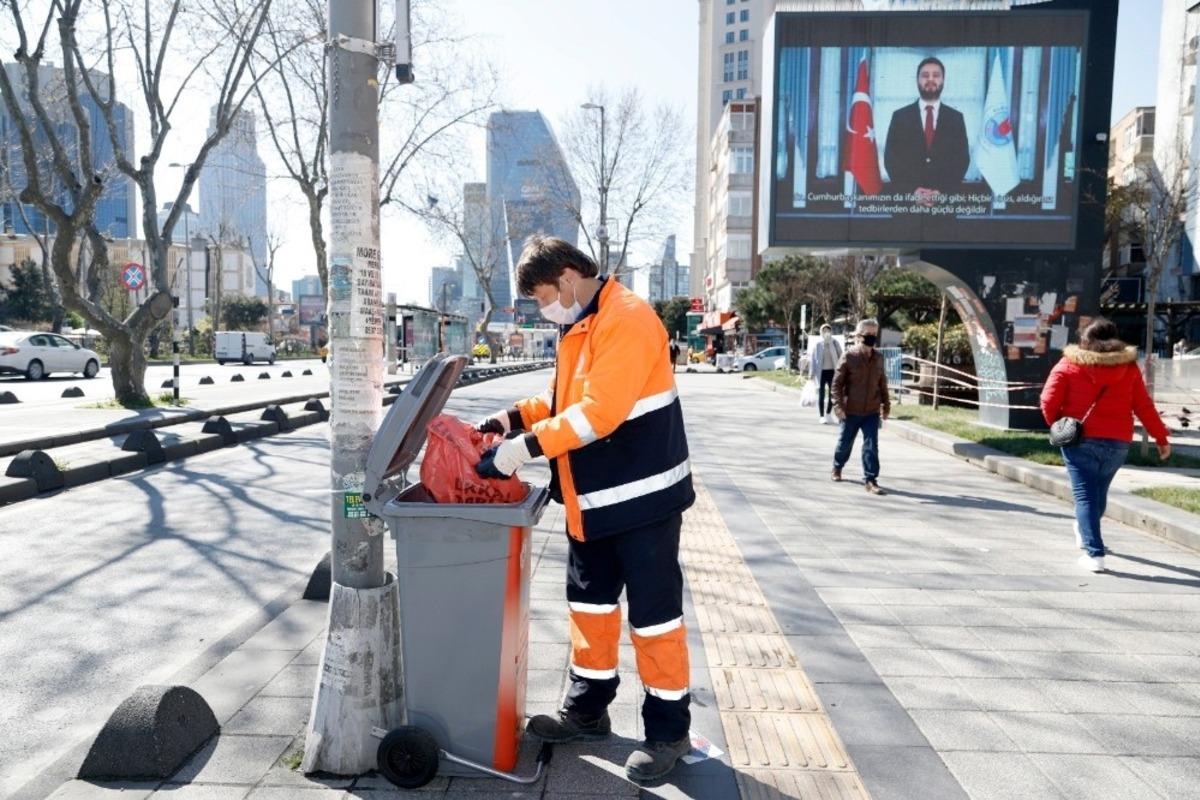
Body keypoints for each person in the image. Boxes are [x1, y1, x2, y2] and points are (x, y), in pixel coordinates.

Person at [474, 234, 695, 782]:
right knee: (590, 611)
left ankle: (669, 733)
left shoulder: (627, 318)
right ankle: (587, 712)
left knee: (654, 621)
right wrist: (511, 419)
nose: (544, 307)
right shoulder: (581, 325)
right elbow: (565, 403)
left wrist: (518, 451)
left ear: (568, 278)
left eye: (544, 295)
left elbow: (598, 414)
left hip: (643, 504)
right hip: (592, 503)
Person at [1039, 318, 1171, 572]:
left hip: (1080, 440)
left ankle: (1094, 553)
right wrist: (1161, 439)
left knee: (1085, 496)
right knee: (1098, 493)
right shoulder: (1129, 367)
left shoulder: (1069, 363)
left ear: (1085, 339)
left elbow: (1047, 400)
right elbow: (1143, 406)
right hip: (1118, 442)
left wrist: (1058, 424)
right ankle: (1085, 529)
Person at [883, 56, 970, 206]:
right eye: (925, 75)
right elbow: (891, 160)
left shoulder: (956, 118)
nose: (930, 79)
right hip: (907, 207)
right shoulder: (899, 117)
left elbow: (962, 161)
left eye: (936, 75)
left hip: (944, 208)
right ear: (917, 80)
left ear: (943, 80)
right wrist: (912, 192)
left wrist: (942, 192)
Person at [831, 319, 890, 494]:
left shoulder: (879, 357)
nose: (871, 338)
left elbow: (882, 383)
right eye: (868, 334)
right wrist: (838, 406)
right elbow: (836, 384)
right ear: (858, 336)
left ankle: (871, 480)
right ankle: (837, 466)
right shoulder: (849, 356)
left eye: (874, 334)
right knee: (844, 443)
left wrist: (886, 405)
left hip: (871, 410)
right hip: (851, 410)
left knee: (871, 445)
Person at [809, 324, 843, 424]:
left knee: (832, 394)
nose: (826, 332)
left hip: (832, 372)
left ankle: (828, 414)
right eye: (824, 330)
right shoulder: (818, 344)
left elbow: (841, 356)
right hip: (821, 372)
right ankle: (822, 416)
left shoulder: (835, 343)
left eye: (828, 330)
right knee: (821, 394)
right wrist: (811, 372)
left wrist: (842, 370)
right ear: (821, 332)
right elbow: (813, 360)